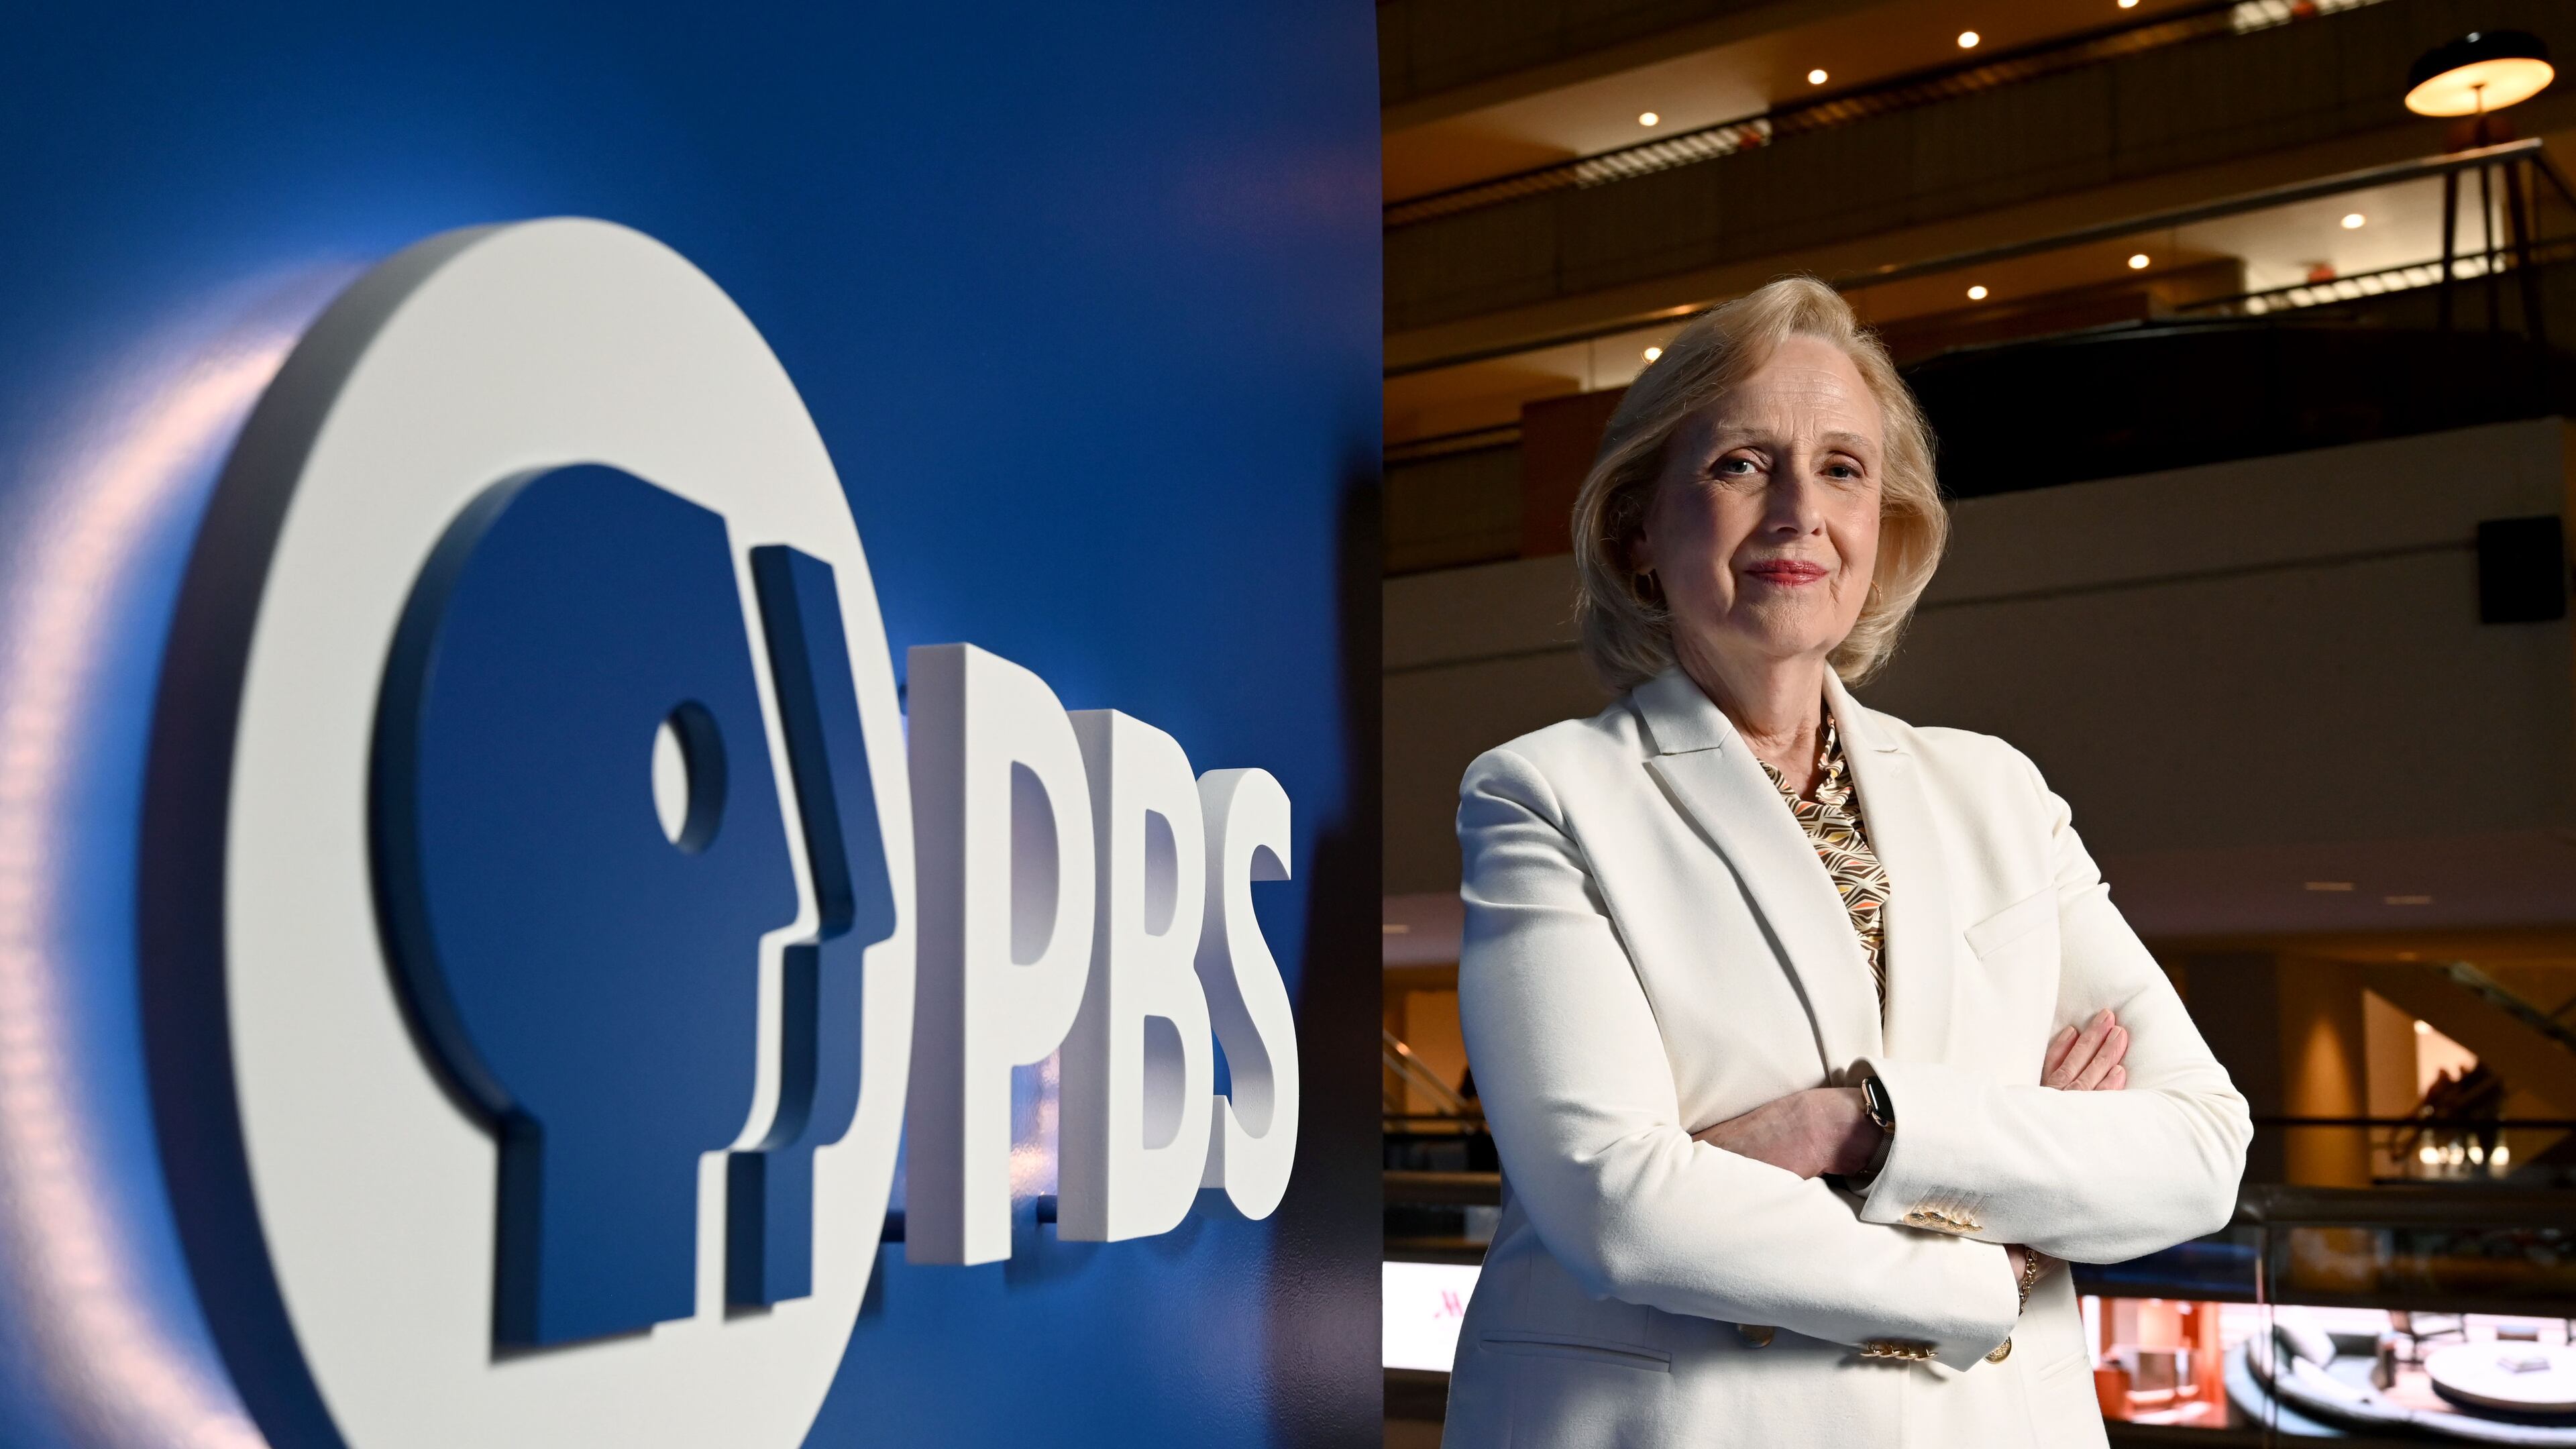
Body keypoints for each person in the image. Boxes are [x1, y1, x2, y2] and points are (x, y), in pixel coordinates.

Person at [1442, 277, 2250, 1447]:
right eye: (1739, 465)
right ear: (1638, 529)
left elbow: (2195, 1153)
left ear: (1888, 524)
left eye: (1843, 469)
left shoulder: (1997, 791)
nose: (1796, 514)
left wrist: (1858, 1129)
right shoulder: (1546, 793)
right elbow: (1621, 1211)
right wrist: (1992, 1263)